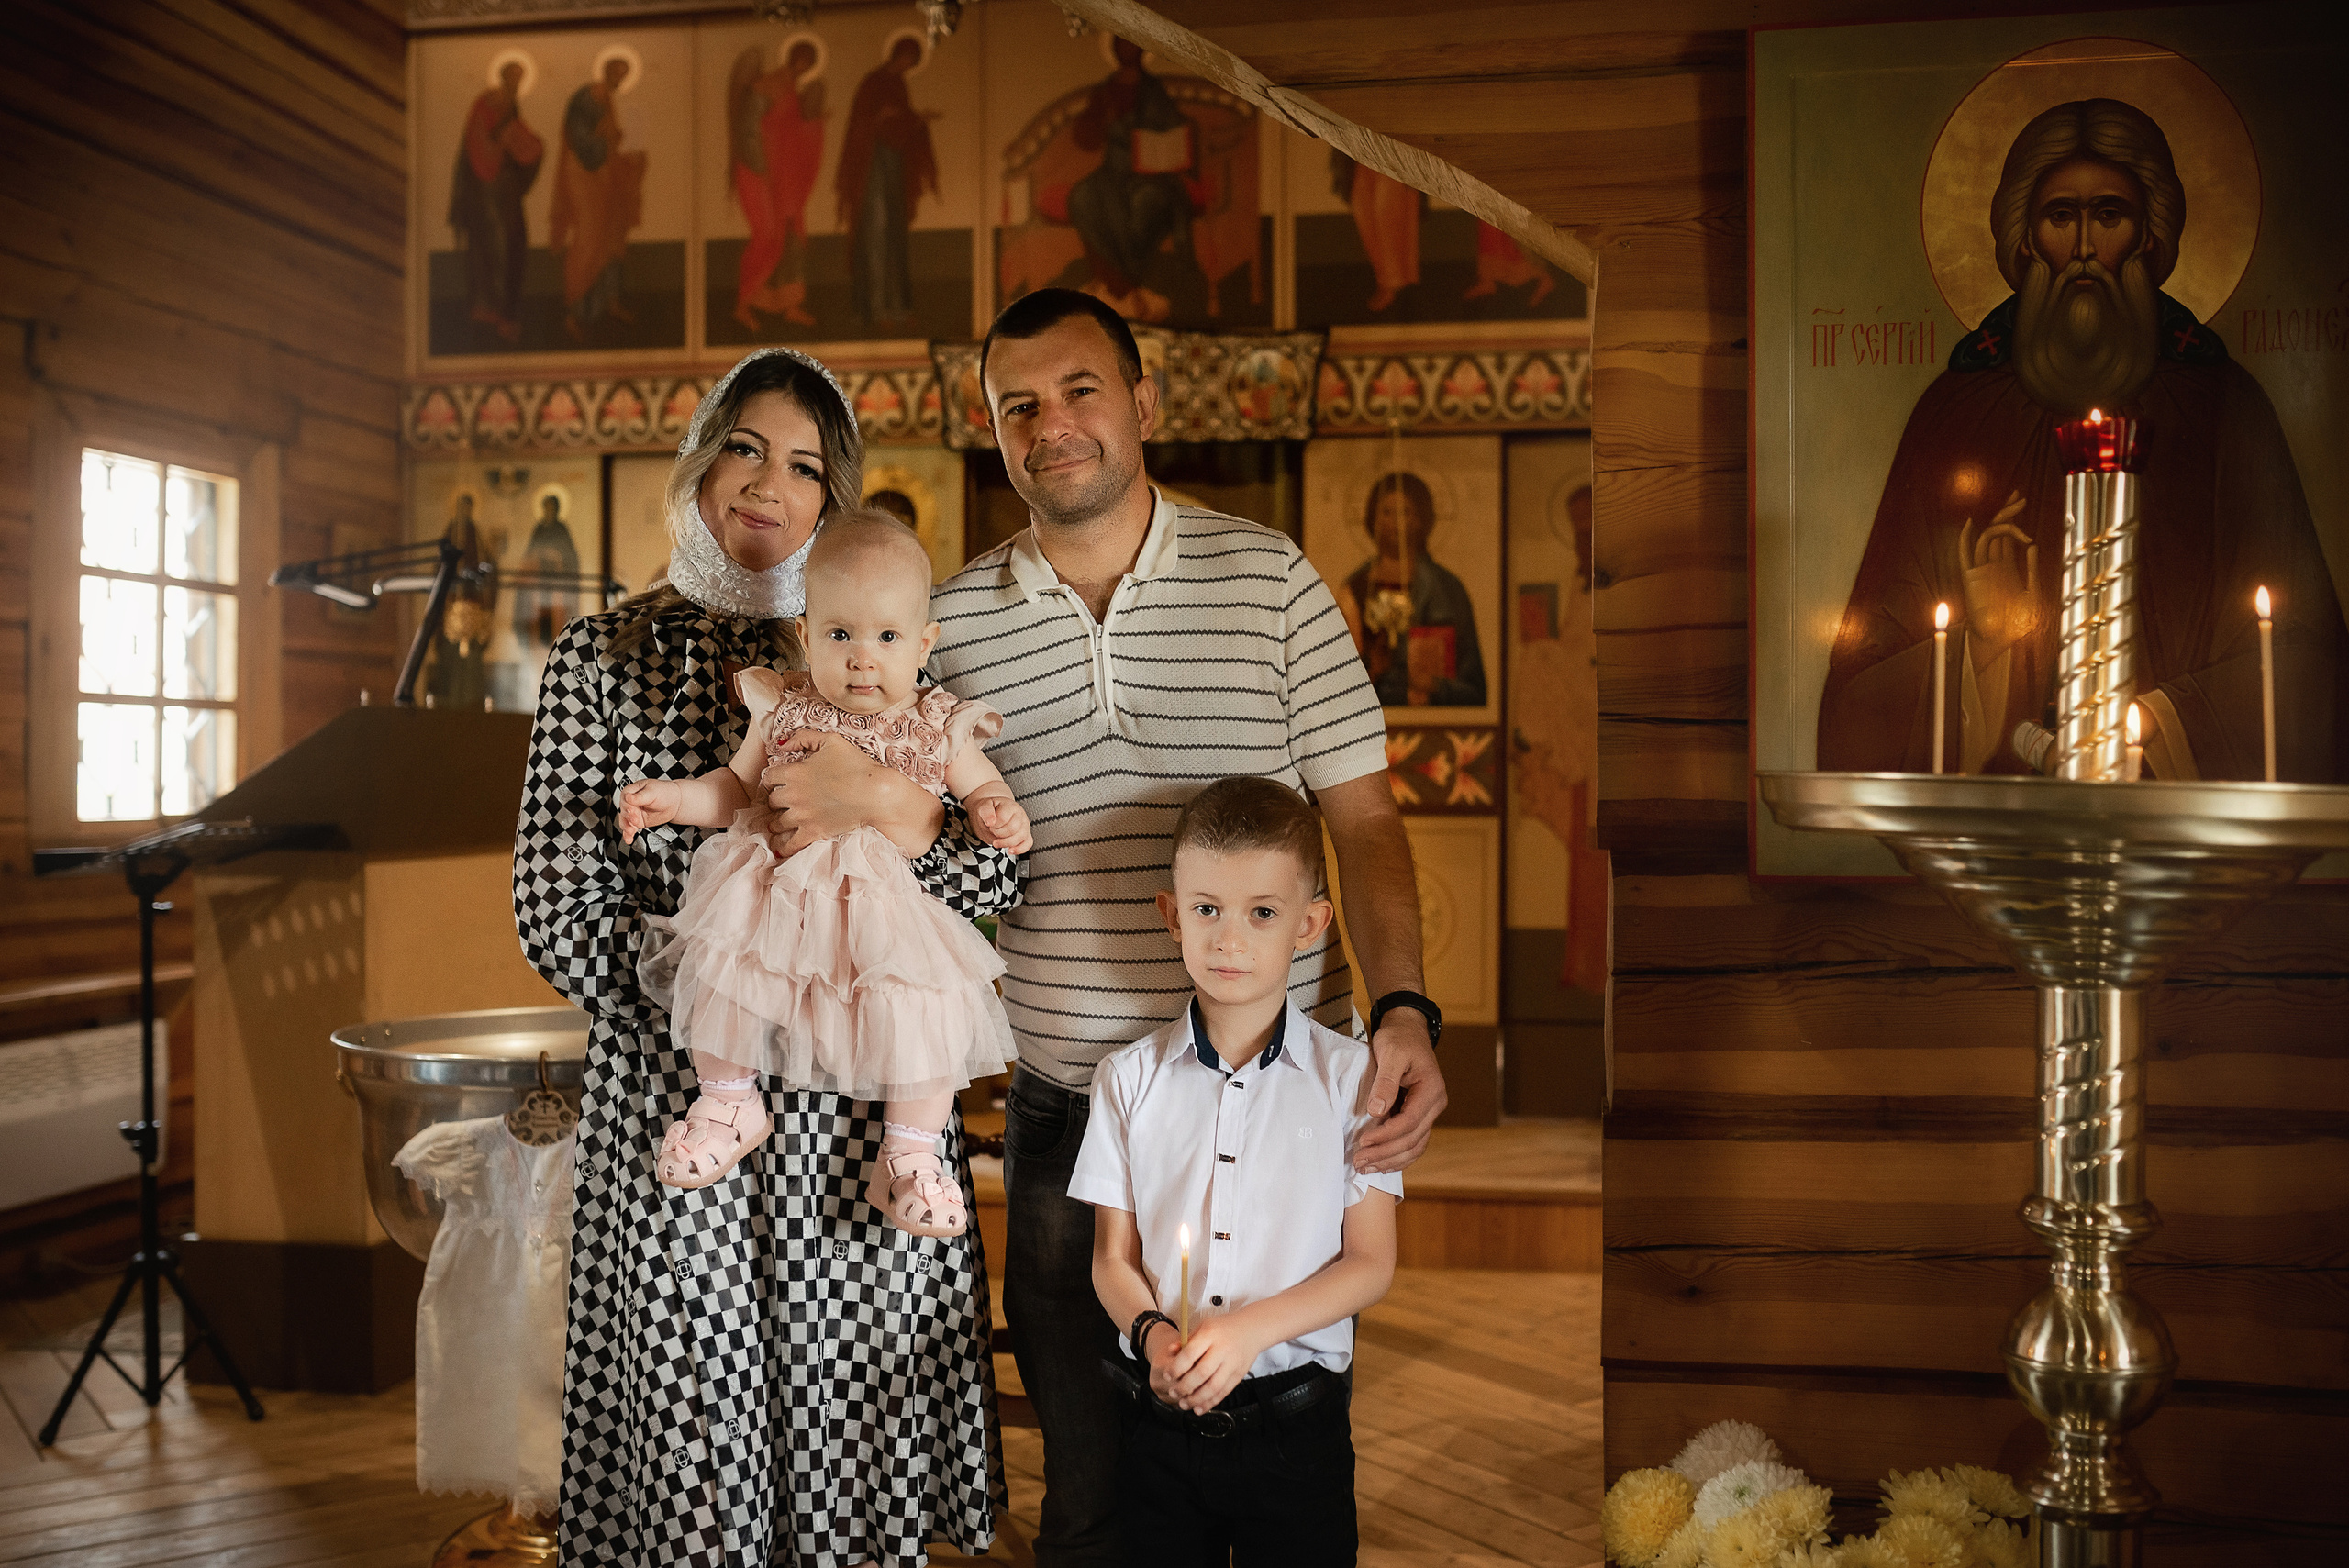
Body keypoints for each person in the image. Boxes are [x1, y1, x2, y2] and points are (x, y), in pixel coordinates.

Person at [927, 287, 1447, 1566]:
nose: (1053, 425)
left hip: (1278, 1098)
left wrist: (1406, 1010)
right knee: (1096, 1499)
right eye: (1019, 405)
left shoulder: (1270, 581)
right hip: (1068, 1113)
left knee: (1278, 1471)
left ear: (1145, 402)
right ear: (994, 433)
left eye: (1080, 389)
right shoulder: (950, 628)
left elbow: (1368, 822)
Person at [515, 348, 1016, 1564]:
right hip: (687, 1099)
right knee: (698, 1455)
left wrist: (902, 816)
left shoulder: (884, 655)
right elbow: (552, 899)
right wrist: (728, 981)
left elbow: (991, 881)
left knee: (853, 1451)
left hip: (863, 1118)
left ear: (835, 500)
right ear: (699, 458)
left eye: (807, 463)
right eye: (746, 446)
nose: (770, 483)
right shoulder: (602, 657)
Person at [1818, 96, 2348, 782]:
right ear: (2026, 238)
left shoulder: (2225, 408)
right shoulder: (1955, 415)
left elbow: (2309, 664)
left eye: (2110, 215)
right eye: (2061, 217)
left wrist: (2150, 725)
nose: (2086, 249)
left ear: (2150, 237)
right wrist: (1982, 649)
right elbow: (1851, 712)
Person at [615, 508, 1029, 1235]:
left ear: (924, 643)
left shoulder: (936, 721)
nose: (863, 658)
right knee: (727, 972)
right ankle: (727, 1098)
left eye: (888, 637)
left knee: (922, 1013)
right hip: (777, 896)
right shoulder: (782, 705)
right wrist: (672, 799)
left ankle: (910, 1154)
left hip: (887, 915)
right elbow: (734, 788)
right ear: (806, 636)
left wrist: (998, 811)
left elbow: (982, 789)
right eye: (841, 635)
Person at [1073, 777, 1400, 1566]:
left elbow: (1371, 1262)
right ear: (1171, 914)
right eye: (1207, 908)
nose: (1229, 938)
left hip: (1298, 1428)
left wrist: (1249, 1331)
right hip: (1158, 1425)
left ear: (1310, 924)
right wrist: (1153, 1338)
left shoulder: (1355, 1079)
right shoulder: (1125, 1078)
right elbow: (1110, 1258)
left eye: (1262, 912)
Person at [1066, 39, 1196, 324]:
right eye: (1120, 45)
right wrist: (1102, 120)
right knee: (1084, 197)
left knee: (1146, 205)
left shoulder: (1154, 91)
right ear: (1113, 50)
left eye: (1131, 44)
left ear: (1140, 50)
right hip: (1113, 172)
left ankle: (1128, 284)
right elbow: (1084, 138)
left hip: (1151, 174)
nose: (1126, 50)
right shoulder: (1106, 92)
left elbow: (1173, 130)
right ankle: (1118, 285)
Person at [1339, 471, 1487, 708]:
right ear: (1372, 519)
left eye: (1405, 512)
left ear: (1422, 519)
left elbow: (1473, 689)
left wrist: (1435, 686)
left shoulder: (1448, 589)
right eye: (1386, 512)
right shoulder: (1354, 590)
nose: (1395, 522)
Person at [837, 37, 939, 331]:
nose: (908, 64)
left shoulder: (898, 85)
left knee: (895, 237)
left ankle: (899, 308)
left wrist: (915, 120)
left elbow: (899, 126)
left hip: (893, 168)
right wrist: (887, 118)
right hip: (872, 171)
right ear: (897, 54)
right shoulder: (872, 83)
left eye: (913, 61)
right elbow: (863, 125)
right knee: (876, 237)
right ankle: (876, 309)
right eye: (907, 58)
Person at [728, 40, 825, 331]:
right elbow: (747, 129)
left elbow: (788, 131)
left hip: (786, 180)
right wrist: (764, 169)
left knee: (792, 238)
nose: (803, 66)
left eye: (809, 62)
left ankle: (790, 305)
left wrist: (812, 124)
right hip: (761, 175)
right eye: (802, 59)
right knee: (768, 237)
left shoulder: (792, 91)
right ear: (793, 58)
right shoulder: (767, 85)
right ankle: (742, 306)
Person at [550, 55, 647, 342]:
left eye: (624, 73)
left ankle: (610, 303)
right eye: (617, 71)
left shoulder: (606, 100)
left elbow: (608, 138)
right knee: (589, 239)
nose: (620, 78)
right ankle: (574, 312)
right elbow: (581, 139)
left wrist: (627, 154)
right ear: (605, 71)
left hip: (603, 177)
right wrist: (604, 140)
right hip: (584, 177)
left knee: (612, 238)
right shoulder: (590, 96)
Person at [450, 61, 541, 345]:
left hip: (505, 190)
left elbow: (516, 140)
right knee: (494, 249)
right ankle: (492, 315)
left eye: (521, 77)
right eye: (513, 76)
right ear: (503, 77)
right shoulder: (489, 102)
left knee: (515, 244)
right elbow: (478, 142)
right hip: (485, 190)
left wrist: (530, 147)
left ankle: (507, 314)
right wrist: (499, 146)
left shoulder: (511, 106)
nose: (516, 81)